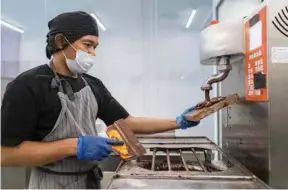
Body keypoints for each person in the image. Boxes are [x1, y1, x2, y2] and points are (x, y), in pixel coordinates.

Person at [1, 11, 200, 189]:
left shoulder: (92, 84)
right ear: (61, 41)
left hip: (89, 182)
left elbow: (127, 122)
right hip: (52, 184)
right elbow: (6, 155)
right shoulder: (27, 86)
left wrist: (179, 121)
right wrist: (75, 146)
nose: (92, 53)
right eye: (87, 45)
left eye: (95, 47)